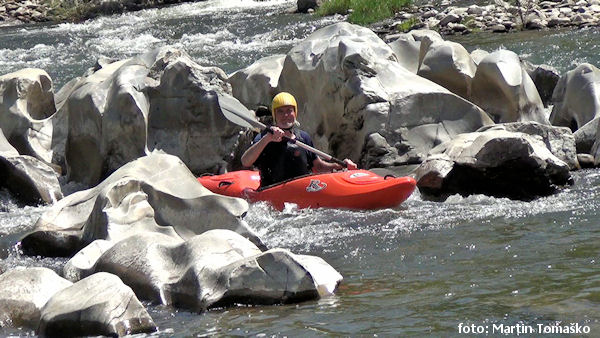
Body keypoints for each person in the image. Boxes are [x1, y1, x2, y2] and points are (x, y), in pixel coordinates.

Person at [241, 92, 357, 187]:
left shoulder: (303, 137)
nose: (285, 115)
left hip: (302, 190)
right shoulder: (264, 137)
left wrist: (341, 166)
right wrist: (267, 139)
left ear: (295, 113)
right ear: (274, 115)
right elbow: (245, 161)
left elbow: (318, 167)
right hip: (272, 192)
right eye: (280, 111)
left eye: (289, 111)